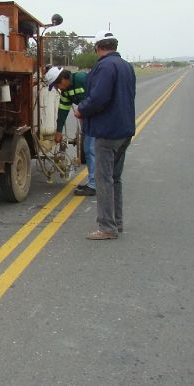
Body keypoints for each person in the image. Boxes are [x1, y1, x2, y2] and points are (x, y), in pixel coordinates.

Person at [74, 32, 136, 240]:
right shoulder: (126, 66)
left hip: (107, 132)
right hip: (124, 130)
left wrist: (81, 109)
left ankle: (107, 227)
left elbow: (99, 98)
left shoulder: (104, 67)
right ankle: (116, 222)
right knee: (115, 179)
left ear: (98, 47)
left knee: (103, 179)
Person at [44, 66, 96, 196]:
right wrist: (58, 131)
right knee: (90, 149)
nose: (57, 89)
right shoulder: (66, 92)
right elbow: (63, 110)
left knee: (91, 149)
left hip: (98, 118)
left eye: (57, 85)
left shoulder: (82, 79)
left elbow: (96, 98)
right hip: (88, 119)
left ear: (62, 79)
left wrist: (82, 110)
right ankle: (95, 182)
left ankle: (94, 185)